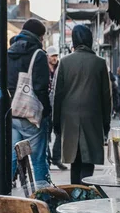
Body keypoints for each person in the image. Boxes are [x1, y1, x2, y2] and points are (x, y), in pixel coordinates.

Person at [54, 25, 111, 184]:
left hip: (69, 119)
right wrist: (105, 125)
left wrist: (56, 122)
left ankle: (74, 197)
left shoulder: (64, 62)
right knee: (88, 162)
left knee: (75, 161)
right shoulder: (99, 63)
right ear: (90, 40)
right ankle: (86, 197)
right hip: (92, 119)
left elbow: (57, 95)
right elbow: (106, 97)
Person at [8, 19, 51, 185]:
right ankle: (44, 200)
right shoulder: (38, 55)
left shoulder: (8, 52)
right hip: (30, 115)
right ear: (39, 36)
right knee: (39, 160)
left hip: (11, 114)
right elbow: (41, 89)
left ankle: (4, 199)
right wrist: (46, 113)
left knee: (12, 157)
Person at [45, 45, 66, 171]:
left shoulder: (60, 68)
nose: (55, 58)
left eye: (56, 56)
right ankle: (48, 158)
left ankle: (56, 158)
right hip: (46, 107)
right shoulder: (43, 69)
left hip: (58, 107)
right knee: (46, 135)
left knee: (60, 133)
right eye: (52, 56)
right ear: (47, 56)